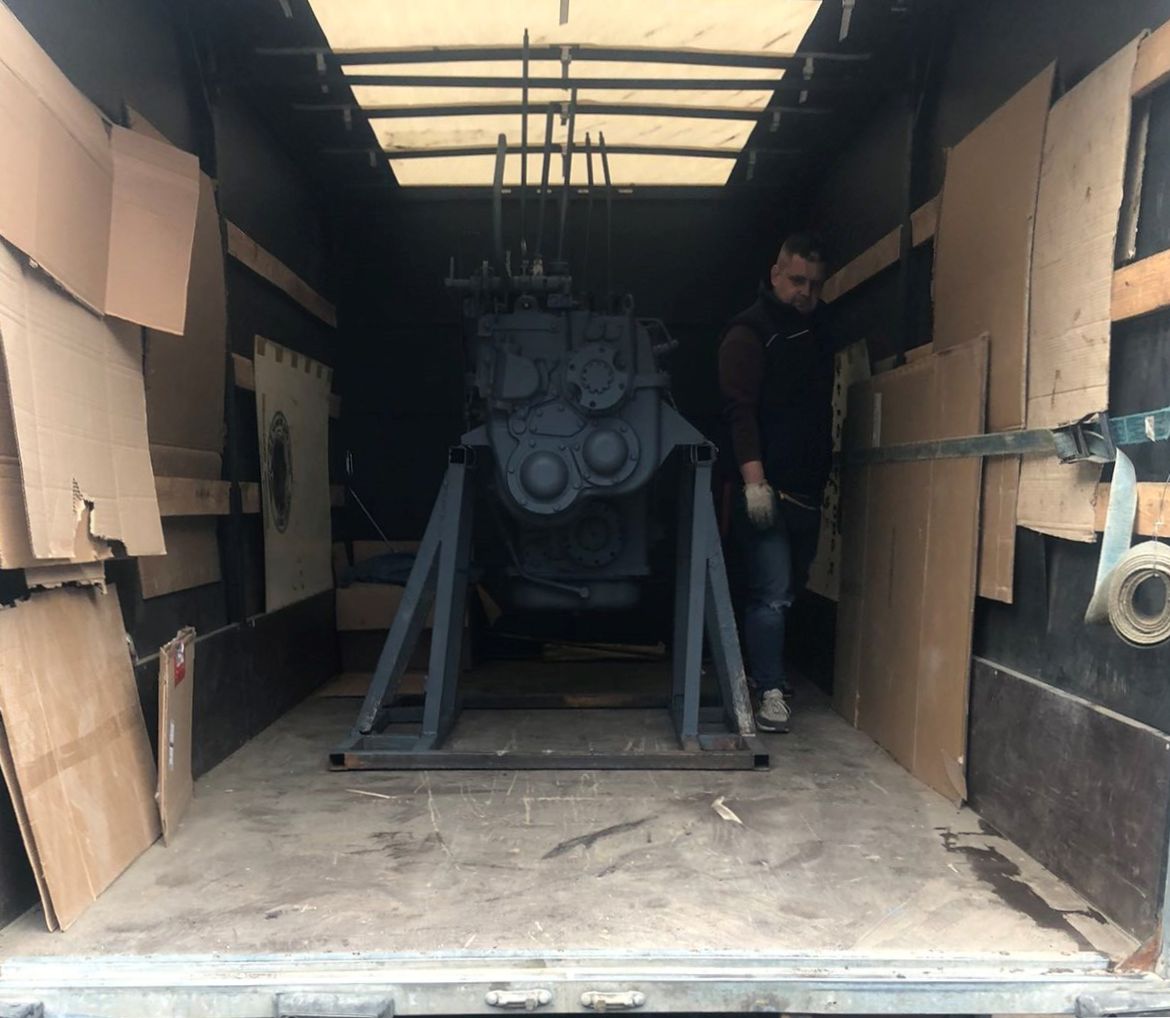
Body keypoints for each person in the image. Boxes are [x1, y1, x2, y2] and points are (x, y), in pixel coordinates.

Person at [717, 233, 835, 733]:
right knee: (771, 593)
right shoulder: (749, 333)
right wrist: (754, 485)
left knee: (789, 590)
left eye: (814, 284)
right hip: (766, 490)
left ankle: (765, 675)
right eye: (796, 281)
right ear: (775, 275)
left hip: (806, 491)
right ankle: (768, 689)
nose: (805, 292)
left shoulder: (817, 331)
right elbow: (739, 413)